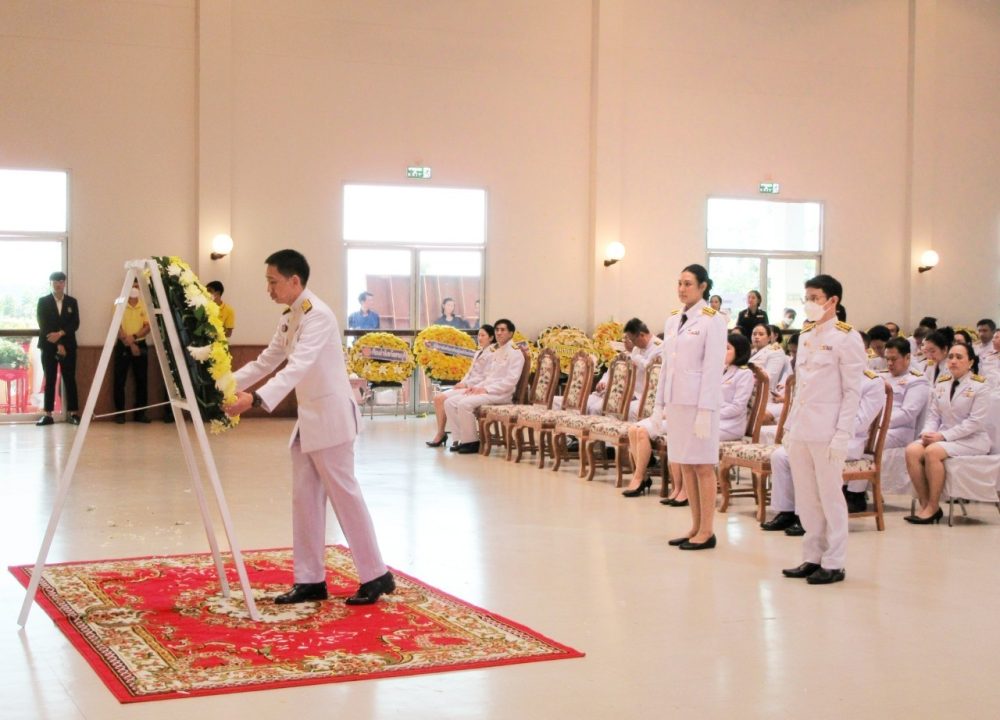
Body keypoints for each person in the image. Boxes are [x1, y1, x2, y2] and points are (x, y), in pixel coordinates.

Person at [224, 250, 392, 605]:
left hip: (331, 419)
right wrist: (222, 384)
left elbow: (298, 366)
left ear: (294, 280)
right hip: (309, 421)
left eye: (273, 282)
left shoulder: (319, 316)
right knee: (305, 500)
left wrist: (254, 399)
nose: (269, 289)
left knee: (345, 497)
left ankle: (376, 574)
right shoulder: (291, 316)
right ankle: (310, 579)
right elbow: (266, 361)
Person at [780, 274, 865, 585]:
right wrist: (789, 427)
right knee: (806, 497)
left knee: (830, 496)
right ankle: (812, 556)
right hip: (802, 428)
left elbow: (852, 392)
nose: (809, 303)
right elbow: (801, 387)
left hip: (828, 430)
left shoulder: (847, 337)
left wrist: (843, 435)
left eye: (815, 298)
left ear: (833, 301)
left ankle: (834, 561)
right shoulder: (806, 335)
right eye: (807, 298)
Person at [623, 332, 750, 499]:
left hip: (727, 424)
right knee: (636, 429)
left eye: (727, 348)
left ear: (739, 351)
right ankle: (667, 484)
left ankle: (684, 489)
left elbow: (737, 408)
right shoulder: (716, 370)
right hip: (701, 417)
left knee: (681, 436)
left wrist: (706, 413)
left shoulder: (744, 374)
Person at [762, 367, 886, 532]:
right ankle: (786, 512)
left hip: (846, 442)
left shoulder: (872, 382)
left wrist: (823, 428)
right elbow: (802, 405)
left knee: (810, 456)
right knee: (780, 456)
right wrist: (791, 430)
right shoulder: (825, 376)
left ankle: (808, 516)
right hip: (815, 435)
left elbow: (860, 422)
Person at [656, 264, 727, 550]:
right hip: (677, 402)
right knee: (685, 463)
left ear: (703, 287)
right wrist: (659, 404)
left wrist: (705, 410)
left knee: (702, 465)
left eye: (688, 284)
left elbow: (712, 369)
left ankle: (707, 530)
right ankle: (695, 526)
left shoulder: (713, 320)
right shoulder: (673, 320)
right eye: (679, 283)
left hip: (699, 404)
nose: (682, 289)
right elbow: (666, 366)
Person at [904, 342, 991, 524]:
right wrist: (927, 433)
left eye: (959, 357)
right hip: (943, 437)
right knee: (912, 450)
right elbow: (934, 415)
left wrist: (942, 436)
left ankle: (933, 505)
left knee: (932, 452)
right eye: (950, 357)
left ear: (970, 362)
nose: (953, 361)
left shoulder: (980, 386)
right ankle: (925, 503)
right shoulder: (943, 383)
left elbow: (974, 423)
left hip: (972, 439)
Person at [443, 318, 525, 454]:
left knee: (464, 404)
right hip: (488, 391)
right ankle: (459, 439)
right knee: (449, 402)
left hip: (501, 394)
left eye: (503, 330)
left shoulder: (515, 353)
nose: (499, 333)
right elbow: (490, 377)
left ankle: (472, 442)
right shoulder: (497, 350)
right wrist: (476, 387)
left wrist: (486, 389)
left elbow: (510, 381)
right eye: (497, 330)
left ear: (511, 333)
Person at [426, 324, 495, 447]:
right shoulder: (479, 352)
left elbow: (485, 377)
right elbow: (470, 372)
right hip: (466, 385)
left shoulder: (492, 354)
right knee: (438, 399)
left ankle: (453, 436)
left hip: (476, 387)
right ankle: (442, 433)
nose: (479, 338)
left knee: (442, 399)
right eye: (478, 335)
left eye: (483, 335)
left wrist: (466, 384)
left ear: (491, 337)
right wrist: (461, 382)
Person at [36, 271, 81, 426]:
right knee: (50, 378)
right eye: (55, 281)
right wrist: (58, 344)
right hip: (49, 346)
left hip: (69, 347)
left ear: (64, 283)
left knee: (69, 378)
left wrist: (61, 335)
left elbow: (75, 323)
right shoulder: (43, 301)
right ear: (50, 283)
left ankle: (73, 413)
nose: (58, 284)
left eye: (61, 281)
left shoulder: (72, 302)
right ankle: (48, 414)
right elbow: (43, 324)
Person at [113, 280, 152, 423]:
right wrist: (130, 343)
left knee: (142, 380)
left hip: (140, 344)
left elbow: (147, 327)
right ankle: (120, 414)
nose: (135, 289)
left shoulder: (145, 305)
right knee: (119, 380)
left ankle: (140, 414)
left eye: (137, 286)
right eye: (132, 286)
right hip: (123, 345)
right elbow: (117, 326)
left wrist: (134, 339)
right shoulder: (119, 303)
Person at [749, 323, 786, 390]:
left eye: (761, 334)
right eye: (754, 334)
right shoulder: (750, 352)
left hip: (762, 391)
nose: (756, 337)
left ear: (769, 338)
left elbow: (769, 378)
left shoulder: (775, 353)